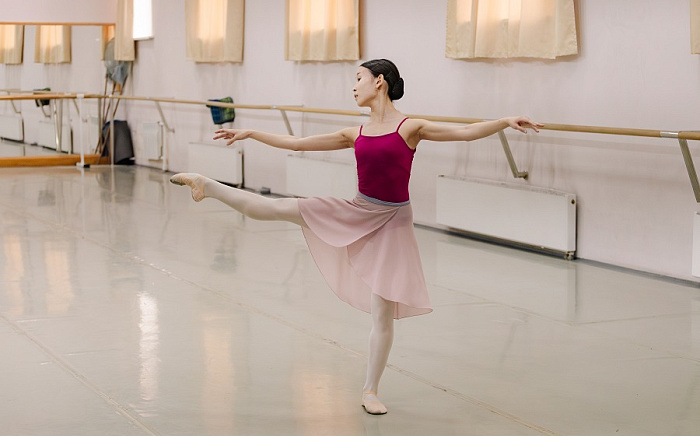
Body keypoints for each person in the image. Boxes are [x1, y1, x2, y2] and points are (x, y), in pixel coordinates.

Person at [170, 58, 542, 415]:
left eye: (358, 79)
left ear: (379, 82)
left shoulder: (410, 127)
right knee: (277, 208)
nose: (353, 87)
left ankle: (370, 390)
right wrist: (251, 132)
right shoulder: (355, 133)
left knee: (383, 312)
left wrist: (504, 121)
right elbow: (298, 143)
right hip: (357, 210)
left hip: (393, 223)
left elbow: (463, 133)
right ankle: (207, 185)